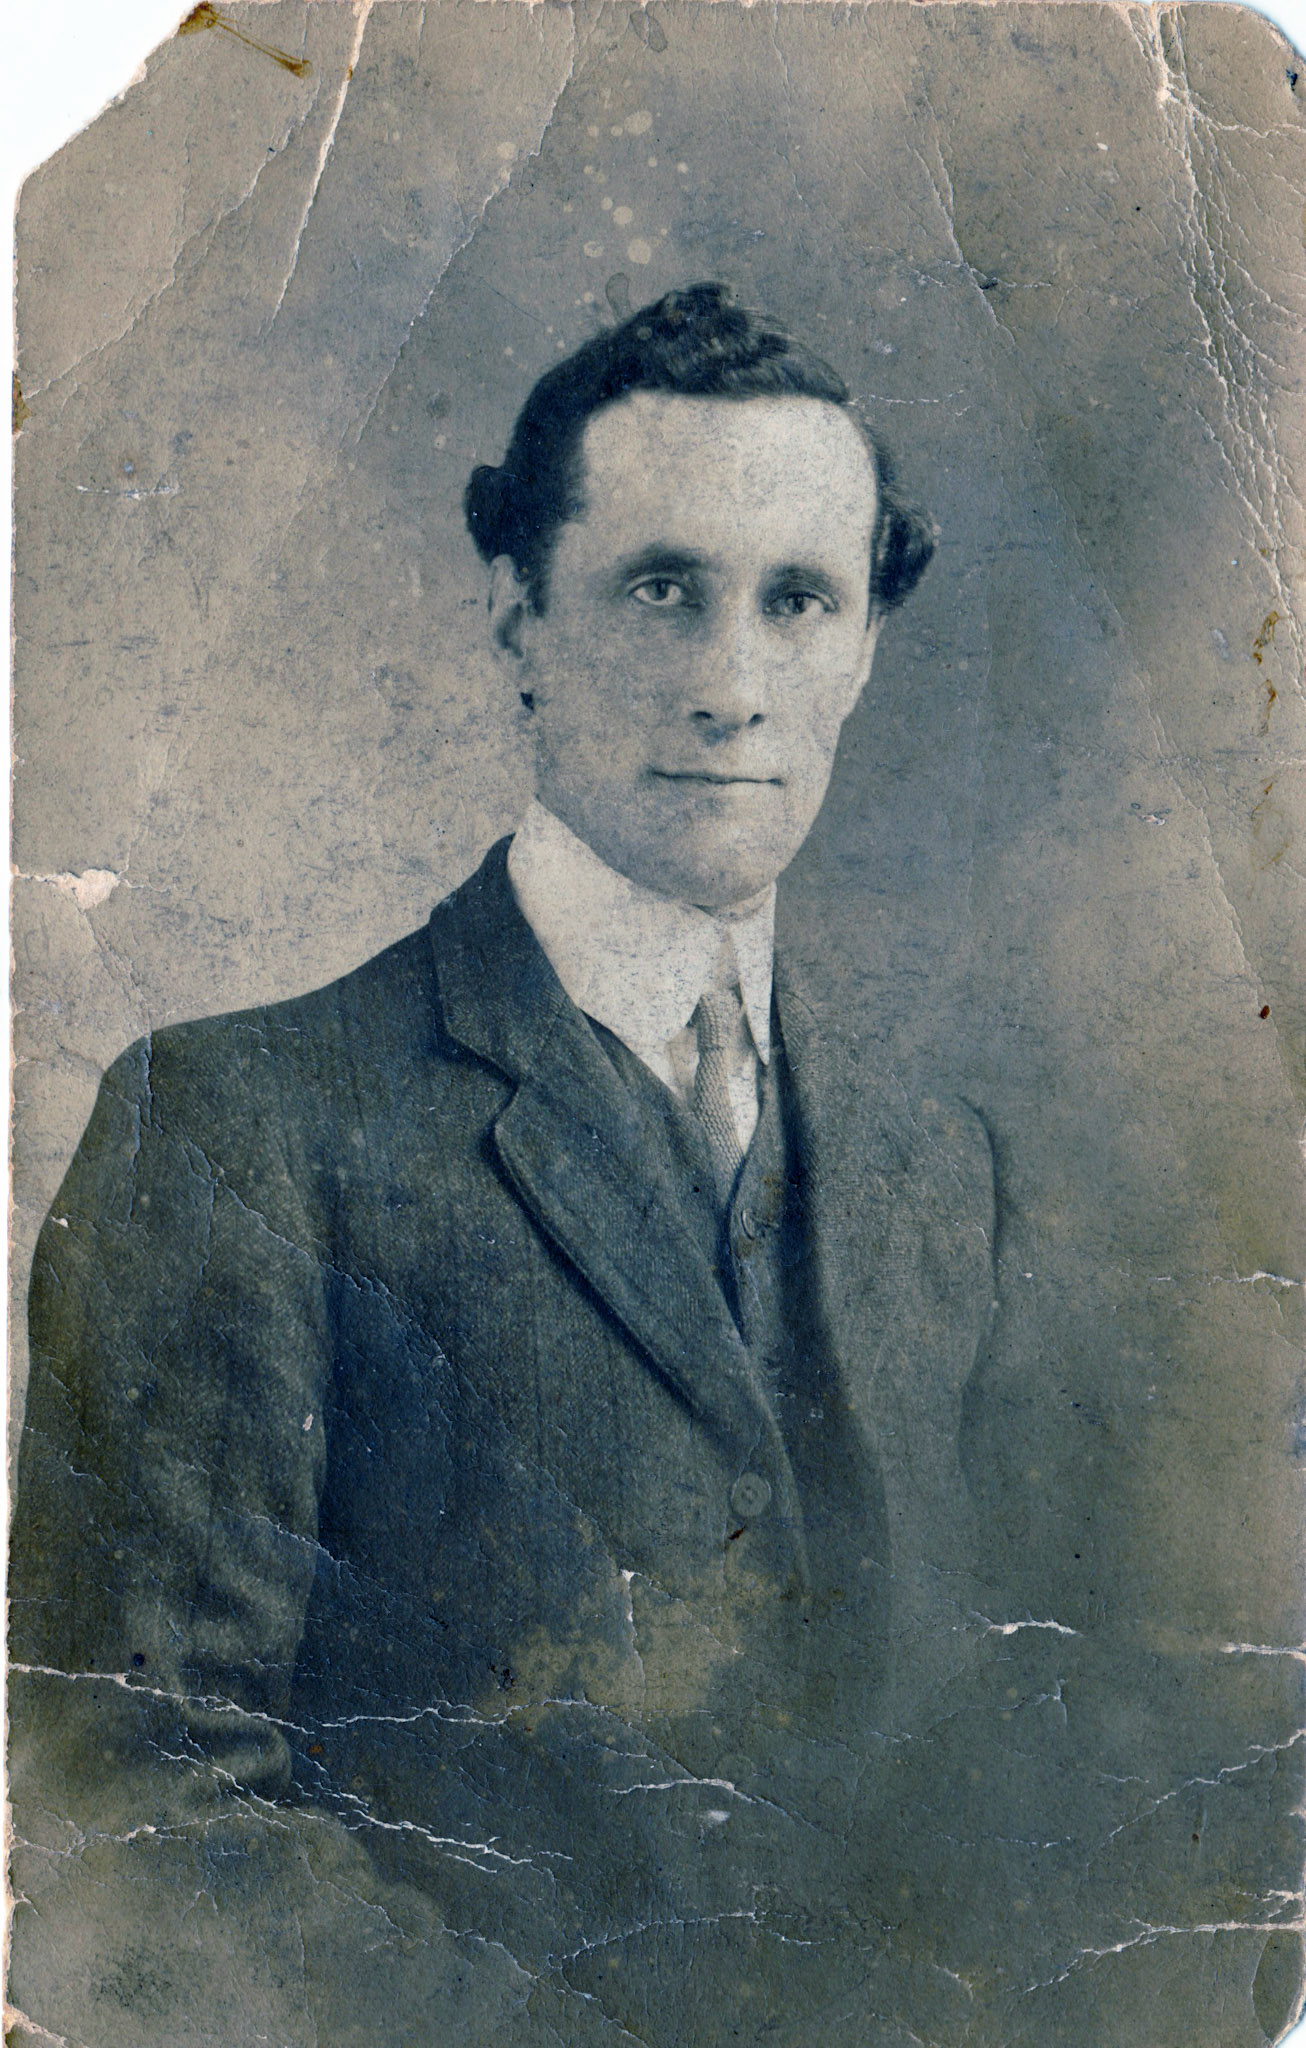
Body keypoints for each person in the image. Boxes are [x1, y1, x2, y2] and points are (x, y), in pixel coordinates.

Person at [8, 284, 1298, 2048]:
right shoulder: (239, 1124)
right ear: (517, 616)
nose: (730, 687)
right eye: (660, 589)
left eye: (797, 602)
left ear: (863, 649)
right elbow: (126, 1826)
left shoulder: (938, 1167)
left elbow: (1037, 1747)